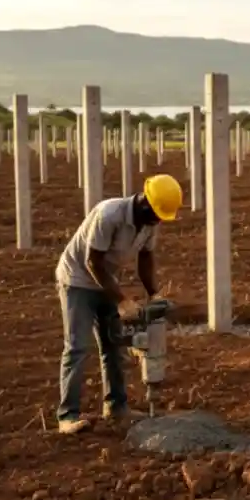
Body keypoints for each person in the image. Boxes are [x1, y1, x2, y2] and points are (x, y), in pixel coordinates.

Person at [53, 174, 183, 434]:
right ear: (144, 202)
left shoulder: (149, 222)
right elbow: (93, 262)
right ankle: (67, 416)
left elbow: (145, 258)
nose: (157, 221)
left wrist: (154, 294)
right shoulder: (108, 215)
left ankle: (116, 406)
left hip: (106, 280)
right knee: (77, 346)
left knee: (113, 346)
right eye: (156, 214)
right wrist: (122, 301)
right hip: (77, 280)